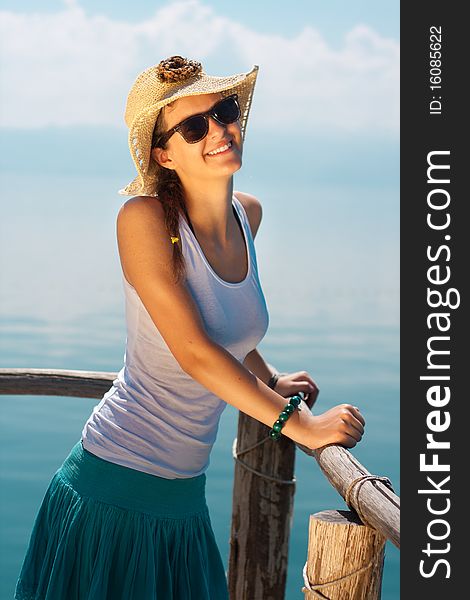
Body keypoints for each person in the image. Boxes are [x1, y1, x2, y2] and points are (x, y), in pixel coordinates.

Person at [14, 55, 365, 600]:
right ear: (164, 153)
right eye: (194, 126)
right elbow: (196, 353)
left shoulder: (248, 216)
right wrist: (304, 427)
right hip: (114, 491)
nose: (219, 130)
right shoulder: (144, 220)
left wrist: (270, 381)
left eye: (224, 112)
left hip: (183, 499)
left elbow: (228, 329)